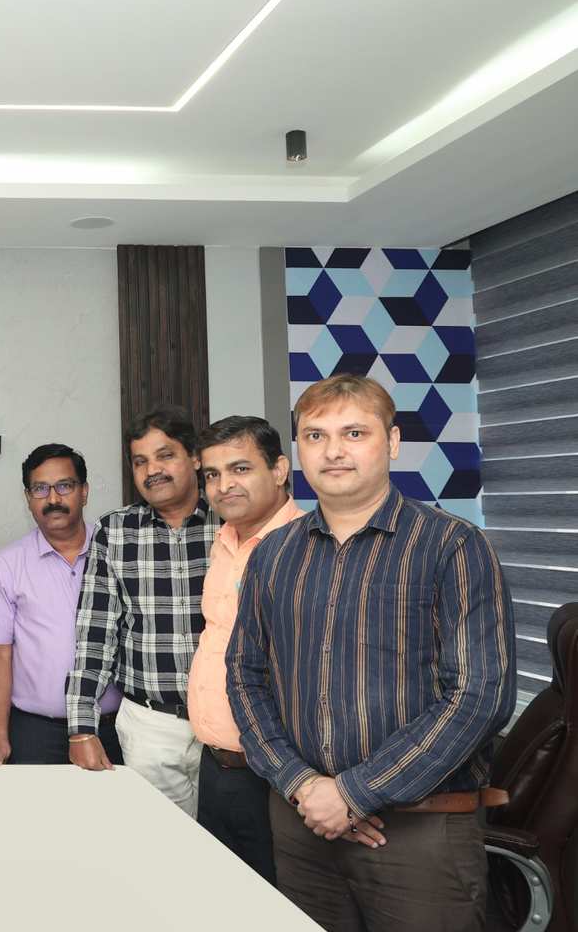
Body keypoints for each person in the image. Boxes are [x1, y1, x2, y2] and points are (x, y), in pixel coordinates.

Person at [229, 374, 515, 931]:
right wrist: (302, 784)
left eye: (354, 433)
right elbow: (245, 675)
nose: (333, 451)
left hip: (418, 834)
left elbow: (480, 695)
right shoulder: (273, 554)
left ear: (393, 442)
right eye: (315, 436)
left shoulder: (453, 545)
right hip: (301, 826)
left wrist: (355, 793)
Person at [68, 405, 218, 816]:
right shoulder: (115, 531)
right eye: (140, 462)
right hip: (151, 726)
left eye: (165, 455)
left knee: (232, 846)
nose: (152, 470)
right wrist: (81, 728)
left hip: (230, 727)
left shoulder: (231, 523)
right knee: (159, 842)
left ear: (195, 458)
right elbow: (95, 634)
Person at [188, 415, 304, 883]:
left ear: (279, 470)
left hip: (276, 775)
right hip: (217, 764)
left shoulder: (307, 546)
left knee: (280, 901)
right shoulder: (224, 541)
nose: (223, 486)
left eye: (240, 469)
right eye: (212, 474)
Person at [0, 444, 123, 765]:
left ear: (84, 492)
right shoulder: (6, 565)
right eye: (40, 489)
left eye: (64, 486)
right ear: (27, 497)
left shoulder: (117, 553)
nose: (53, 499)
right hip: (36, 733)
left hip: (111, 727)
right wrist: (0, 738)